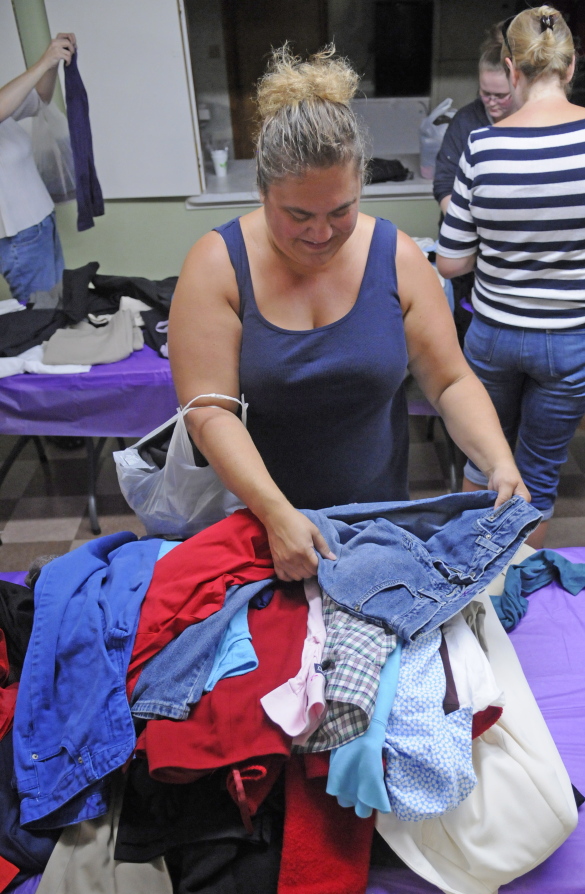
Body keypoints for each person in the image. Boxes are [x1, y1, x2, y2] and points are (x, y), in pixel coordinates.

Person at [168, 45, 528, 582]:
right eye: (297, 215)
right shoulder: (218, 265)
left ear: (361, 184)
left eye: (341, 211)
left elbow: (450, 381)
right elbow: (208, 411)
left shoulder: (398, 256)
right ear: (262, 191)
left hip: (377, 527)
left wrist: (498, 461)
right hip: (260, 527)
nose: (320, 233)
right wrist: (275, 513)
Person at [437, 5, 585, 549]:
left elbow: (450, 262)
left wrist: (504, 248)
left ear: (511, 67)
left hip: (495, 335)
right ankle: (518, 587)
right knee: (539, 478)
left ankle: (472, 588)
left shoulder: (484, 146)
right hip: (571, 341)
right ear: (569, 68)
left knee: (484, 462)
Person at [0, 33, 76, 302]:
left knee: (57, 304)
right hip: (18, 237)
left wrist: (53, 62)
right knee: (40, 315)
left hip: (42, 223)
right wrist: (44, 61)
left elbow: (40, 97)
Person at [434, 22, 517, 216]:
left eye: (500, 95)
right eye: (485, 93)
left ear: (516, 86)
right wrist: (462, 226)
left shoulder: (531, 121)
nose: (491, 102)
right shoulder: (465, 121)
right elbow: (444, 184)